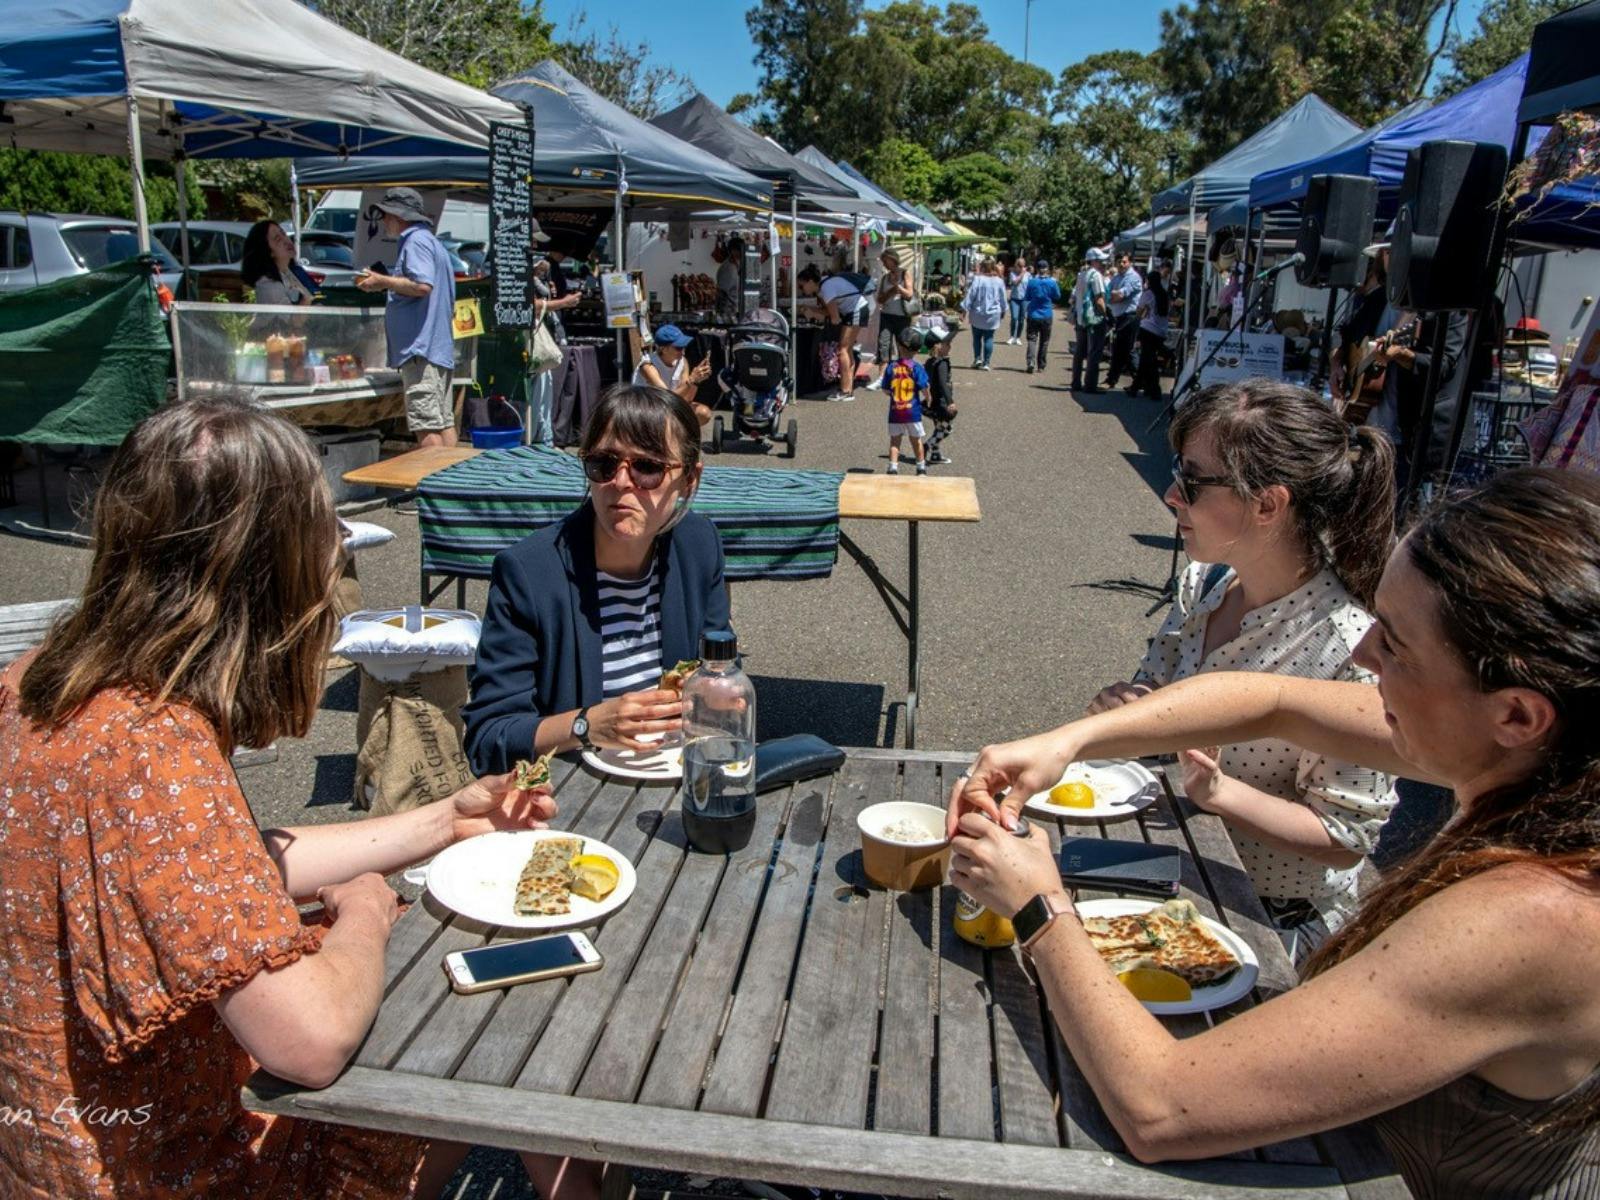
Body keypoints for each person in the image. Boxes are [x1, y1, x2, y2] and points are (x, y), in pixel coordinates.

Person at [0, 398, 606, 1200]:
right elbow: (310, 1039)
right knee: (469, 1059)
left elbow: (204, 867)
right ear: (266, 577)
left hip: (46, 1150)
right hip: (177, 1166)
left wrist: (443, 819)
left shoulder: (40, 682)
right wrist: (360, 911)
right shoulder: (153, 749)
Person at [946, 468, 1600, 1198]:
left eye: (1398, 645)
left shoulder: (1536, 917)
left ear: (1516, 715)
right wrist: (1072, 740)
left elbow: (1161, 1109)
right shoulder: (1544, 765)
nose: (1362, 656)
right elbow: (1271, 700)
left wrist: (1040, 905)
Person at [1086, 379, 1399, 955]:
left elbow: (1346, 837)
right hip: (1177, 874)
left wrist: (1221, 793)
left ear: (1268, 504)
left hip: (1265, 921)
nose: (1171, 496)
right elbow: (1154, 689)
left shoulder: (1350, 649)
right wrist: (1128, 703)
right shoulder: (1205, 584)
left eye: (1192, 481)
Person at [464, 385, 730, 773]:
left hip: (678, 774)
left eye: (648, 467)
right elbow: (489, 737)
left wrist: (720, 692)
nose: (621, 482)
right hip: (567, 791)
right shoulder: (529, 573)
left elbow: (717, 664)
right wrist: (588, 724)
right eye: (604, 464)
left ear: (689, 479)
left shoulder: (699, 546)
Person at [356, 187, 458, 450]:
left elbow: (422, 285)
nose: (384, 221)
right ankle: (454, 487)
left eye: (386, 215)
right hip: (435, 349)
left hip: (420, 351)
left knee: (426, 427)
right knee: (443, 423)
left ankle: (434, 486)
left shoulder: (415, 241)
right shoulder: (433, 243)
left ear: (397, 215)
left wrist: (382, 282)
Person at [798, 263, 871, 401]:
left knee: (842, 350)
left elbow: (834, 318)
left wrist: (814, 313)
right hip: (857, 309)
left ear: (811, 281)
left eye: (801, 286)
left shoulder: (826, 288)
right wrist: (813, 311)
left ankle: (845, 391)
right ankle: (848, 389)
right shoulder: (825, 284)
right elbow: (831, 313)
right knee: (847, 350)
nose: (801, 290)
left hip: (855, 310)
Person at [632, 324, 712, 425]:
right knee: (667, 418)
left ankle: (682, 436)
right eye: (678, 348)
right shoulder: (648, 366)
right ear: (663, 349)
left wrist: (696, 382)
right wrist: (691, 380)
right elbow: (666, 399)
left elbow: (686, 400)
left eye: (684, 347)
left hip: (667, 408)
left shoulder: (682, 362)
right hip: (647, 410)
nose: (682, 351)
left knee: (703, 413)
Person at [879, 324, 931, 476]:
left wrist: (894, 395)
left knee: (895, 440)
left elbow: (885, 389)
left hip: (896, 411)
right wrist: (928, 397)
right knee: (916, 440)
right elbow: (924, 386)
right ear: (916, 350)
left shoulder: (891, 367)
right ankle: (921, 467)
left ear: (898, 346)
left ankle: (893, 467)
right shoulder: (916, 367)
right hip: (912, 411)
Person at [240, 219, 312, 307]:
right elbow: (293, 320)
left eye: (284, 234)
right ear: (269, 252)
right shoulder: (268, 285)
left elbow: (318, 299)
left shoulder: (294, 272)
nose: (286, 240)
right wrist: (307, 298)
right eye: (278, 239)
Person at [1128, 259, 1171, 401]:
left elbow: (1139, 312)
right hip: (1160, 331)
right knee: (1147, 360)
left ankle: (1152, 389)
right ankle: (1141, 387)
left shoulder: (1148, 294)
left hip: (1147, 329)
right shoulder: (1164, 295)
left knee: (1148, 361)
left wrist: (1143, 312)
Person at [1070, 247, 1109, 393]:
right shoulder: (1096, 276)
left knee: (1079, 352)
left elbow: (1074, 297)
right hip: (1094, 319)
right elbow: (1099, 299)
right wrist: (1106, 315)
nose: (1102, 263)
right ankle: (1090, 385)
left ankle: (1076, 382)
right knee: (1094, 352)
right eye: (1100, 260)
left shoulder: (1081, 274)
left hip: (1081, 318)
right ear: (1094, 261)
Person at [1103, 251, 1144, 389]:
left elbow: (1119, 296)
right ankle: (1112, 379)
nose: (1121, 264)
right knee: (1118, 350)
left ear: (1130, 262)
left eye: (1124, 261)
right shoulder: (1116, 278)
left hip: (1130, 317)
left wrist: (1112, 295)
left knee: (1128, 350)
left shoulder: (1134, 278)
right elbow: (1106, 295)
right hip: (1119, 317)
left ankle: (1140, 380)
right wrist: (1112, 295)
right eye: (1119, 261)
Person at [921, 322, 959, 466]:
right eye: (947, 343)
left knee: (939, 427)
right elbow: (943, 383)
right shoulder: (942, 363)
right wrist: (950, 402)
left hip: (933, 401)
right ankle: (928, 446)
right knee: (947, 429)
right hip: (942, 402)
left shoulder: (930, 362)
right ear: (938, 346)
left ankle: (935, 454)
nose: (950, 346)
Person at [959, 257, 1006, 370]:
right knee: (989, 338)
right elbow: (1003, 298)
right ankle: (986, 363)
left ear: (983, 267)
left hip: (977, 313)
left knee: (977, 337)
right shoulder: (999, 281)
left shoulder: (978, 279)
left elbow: (970, 296)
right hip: (993, 314)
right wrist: (1003, 310)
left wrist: (964, 310)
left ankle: (977, 359)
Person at [874, 249, 915, 376]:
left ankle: (904, 374)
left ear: (893, 259)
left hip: (902, 316)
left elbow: (909, 294)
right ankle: (882, 376)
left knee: (902, 344)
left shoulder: (905, 274)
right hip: (886, 315)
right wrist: (891, 291)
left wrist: (897, 287)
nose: (884, 264)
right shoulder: (885, 277)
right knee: (883, 344)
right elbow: (880, 299)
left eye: (885, 261)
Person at [1022, 259, 1061, 374]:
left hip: (1033, 314)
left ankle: (1030, 362)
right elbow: (1057, 296)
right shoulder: (1052, 282)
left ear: (1037, 269)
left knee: (1032, 339)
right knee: (1044, 341)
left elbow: (1027, 297)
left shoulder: (1032, 282)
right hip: (1046, 314)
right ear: (1047, 269)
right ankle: (1041, 365)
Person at [1005, 257, 1031, 344]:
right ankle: (1012, 336)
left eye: (1023, 266)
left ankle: (1018, 337)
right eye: (1019, 265)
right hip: (1014, 299)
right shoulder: (1012, 274)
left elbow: (1031, 286)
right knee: (1014, 317)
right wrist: (1021, 274)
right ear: (1016, 266)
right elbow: (1015, 283)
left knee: (1021, 319)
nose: (1021, 267)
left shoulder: (1028, 275)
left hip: (1025, 299)